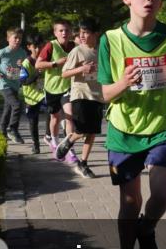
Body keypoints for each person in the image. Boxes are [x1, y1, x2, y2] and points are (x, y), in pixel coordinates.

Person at [99, 0, 166, 249]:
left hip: (161, 125)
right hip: (123, 130)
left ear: (161, 3)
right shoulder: (110, 40)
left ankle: (147, 230)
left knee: (162, 194)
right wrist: (121, 83)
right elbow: (102, 92)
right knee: (129, 201)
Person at [57, 17, 104, 177]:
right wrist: (81, 69)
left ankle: (83, 163)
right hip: (80, 94)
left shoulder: (101, 50)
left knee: (92, 132)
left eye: (86, 32)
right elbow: (64, 73)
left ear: (96, 34)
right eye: (80, 32)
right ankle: (70, 139)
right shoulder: (77, 51)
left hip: (97, 95)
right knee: (83, 130)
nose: (82, 36)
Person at [36, 18, 75, 153]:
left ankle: (69, 146)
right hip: (52, 88)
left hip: (67, 87)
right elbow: (38, 64)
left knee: (70, 116)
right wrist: (55, 63)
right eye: (61, 30)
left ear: (71, 33)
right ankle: (53, 139)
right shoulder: (50, 46)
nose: (64, 33)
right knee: (55, 117)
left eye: (67, 30)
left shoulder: (73, 46)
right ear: (55, 33)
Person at [0, 28, 29, 145]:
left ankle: (2, 131)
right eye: (15, 38)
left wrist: (22, 67)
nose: (17, 40)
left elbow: (23, 67)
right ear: (8, 39)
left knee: (8, 108)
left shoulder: (22, 52)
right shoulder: (2, 52)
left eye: (20, 38)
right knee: (17, 105)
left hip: (15, 84)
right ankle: (13, 129)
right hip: (4, 84)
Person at [20, 33, 45, 154]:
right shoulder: (26, 63)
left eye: (40, 46)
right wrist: (36, 73)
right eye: (35, 47)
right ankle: (36, 145)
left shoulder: (46, 59)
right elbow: (23, 81)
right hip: (31, 97)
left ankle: (50, 136)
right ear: (29, 47)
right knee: (33, 121)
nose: (38, 49)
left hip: (44, 94)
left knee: (54, 112)